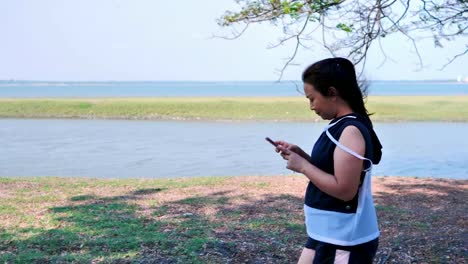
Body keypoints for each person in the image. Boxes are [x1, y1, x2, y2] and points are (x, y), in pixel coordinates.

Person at [274, 57, 383, 264]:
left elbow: (345, 190)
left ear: (332, 93)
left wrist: (304, 166)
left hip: (344, 239)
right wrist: (302, 156)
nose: (311, 106)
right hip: (326, 233)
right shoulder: (341, 126)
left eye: (312, 98)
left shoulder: (350, 130)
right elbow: (333, 171)